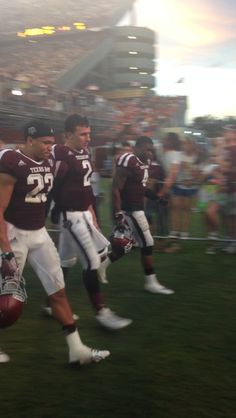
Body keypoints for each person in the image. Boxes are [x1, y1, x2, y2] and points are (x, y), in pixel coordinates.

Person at [0, 120, 110, 365]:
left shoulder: (51, 160)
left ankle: (77, 350)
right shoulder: (11, 162)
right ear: (29, 140)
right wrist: (6, 252)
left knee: (58, 292)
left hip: (39, 233)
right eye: (45, 143)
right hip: (14, 233)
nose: (51, 147)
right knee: (5, 295)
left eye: (52, 142)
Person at [46, 114, 132, 331]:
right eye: (82, 134)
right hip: (70, 216)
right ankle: (101, 311)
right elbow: (51, 184)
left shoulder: (83, 152)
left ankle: (50, 304)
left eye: (89, 133)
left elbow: (85, 187)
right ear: (68, 135)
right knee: (92, 262)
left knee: (66, 261)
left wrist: (91, 211)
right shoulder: (60, 152)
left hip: (83, 212)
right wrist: (52, 210)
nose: (87, 138)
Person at [109, 135, 174, 294]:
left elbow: (141, 188)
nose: (149, 153)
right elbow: (116, 188)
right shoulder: (128, 160)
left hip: (137, 208)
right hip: (129, 210)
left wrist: (157, 198)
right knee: (147, 243)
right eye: (147, 149)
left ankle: (98, 264)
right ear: (136, 148)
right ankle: (151, 282)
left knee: (124, 246)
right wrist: (118, 212)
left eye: (151, 150)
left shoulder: (144, 163)